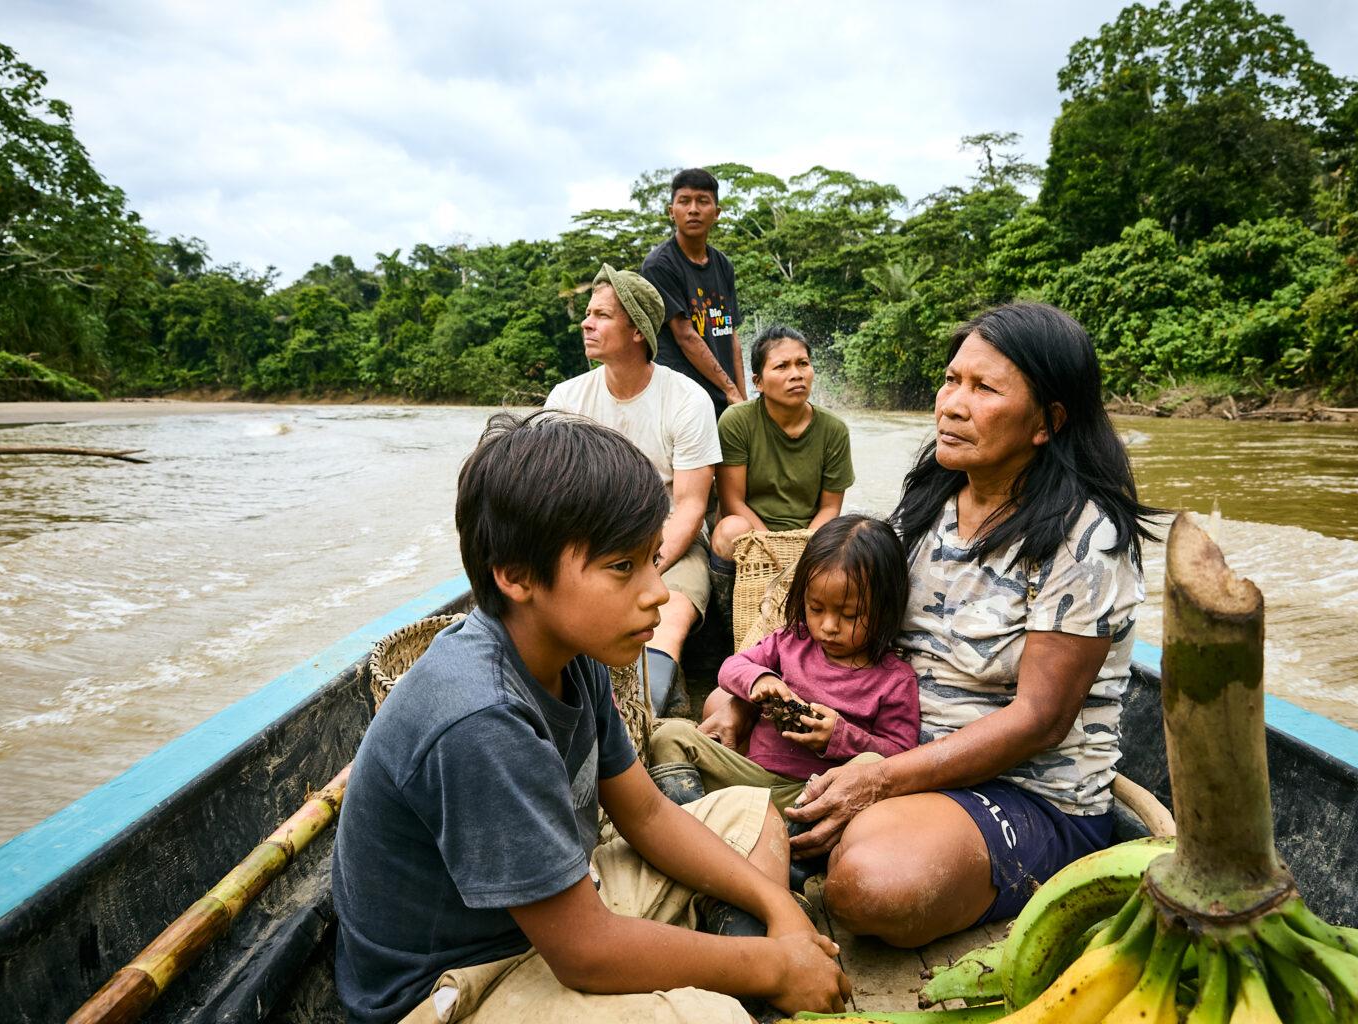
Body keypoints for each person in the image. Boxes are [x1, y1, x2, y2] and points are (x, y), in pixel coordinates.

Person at [331, 411, 850, 1024]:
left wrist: (778, 907)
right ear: (517, 576)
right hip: (462, 981)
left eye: (653, 560)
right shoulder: (481, 718)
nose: (657, 590)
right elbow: (584, 952)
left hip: (558, 915)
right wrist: (778, 966)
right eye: (622, 567)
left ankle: (735, 954)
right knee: (713, 1019)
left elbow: (649, 814)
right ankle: (739, 975)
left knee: (751, 813)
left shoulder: (573, 656)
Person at [701, 303, 1158, 948]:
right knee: (695, 758)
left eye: (984, 389)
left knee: (870, 885)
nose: (950, 404)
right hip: (888, 749)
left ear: (1047, 422)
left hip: (1023, 793)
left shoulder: (1085, 540)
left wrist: (881, 779)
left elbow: (1041, 721)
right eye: (950, 380)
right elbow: (849, 633)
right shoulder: (930, 502)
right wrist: (739, 690)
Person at [649, 516, 919, 814]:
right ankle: (689, 817)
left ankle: (755, 829)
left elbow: (900, 757)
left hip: (814, 796)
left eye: (849, 615)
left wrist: (841, 737)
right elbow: (731, 668)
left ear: (886, 609)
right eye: (816, 608)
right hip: (748, 779)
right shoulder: (792, 641)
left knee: (872, 763)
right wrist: (761, 679)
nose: (828, 626)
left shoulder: (895, 680)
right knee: (670, 736)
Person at [545, 264, 720, 705]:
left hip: (667, 543)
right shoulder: (566, 400)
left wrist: (638, 567)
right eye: (589, 313)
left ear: (638, 330)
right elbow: (549, 498)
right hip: (587, 542)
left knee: (671, 612)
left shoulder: (686, 399)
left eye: (601, 315)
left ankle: (645, 713)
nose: (586, 323)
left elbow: (691, 507)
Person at [708, 325, 854, 593]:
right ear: (758, 382)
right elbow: (732, 502)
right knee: (729, 529)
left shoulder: (834, 430)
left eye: (803, 363)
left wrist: (804, 550)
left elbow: (830, 509)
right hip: (751, 532)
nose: (796, 374)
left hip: (810, 537)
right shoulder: (737, 421)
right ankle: (727, 621)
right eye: (781, 367)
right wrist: (772, 549)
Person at [641, 168, 745, 422]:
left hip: (724, 399)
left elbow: (730, 334)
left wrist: (743, 400)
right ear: (671, 211)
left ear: (716, 213)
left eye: (703, 201)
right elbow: (686, 336)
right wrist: (731, 390)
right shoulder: (659, 265)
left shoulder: (723, 265)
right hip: (682, 400)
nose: (693, 209)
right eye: (684, 201)